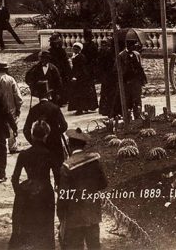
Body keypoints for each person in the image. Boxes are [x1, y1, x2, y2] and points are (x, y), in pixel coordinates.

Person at [57, 130, 108, 250]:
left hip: (74, 217)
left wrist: (60, 215)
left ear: (69, 145)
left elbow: (63, 196)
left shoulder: (67, 166)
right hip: (92, 213)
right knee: (94, 246)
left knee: (74, 246)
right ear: (84, 145)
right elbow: (103, 184)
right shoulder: (94, 161)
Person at [9, 120, 56, 250]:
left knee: (25, 227)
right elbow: (58, 177)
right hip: (45, 192)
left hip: (26, 192)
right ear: (46, 135)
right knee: (45, 228)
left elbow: (14, 178)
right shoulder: (49, 154)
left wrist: (20, 193)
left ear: (32, 135)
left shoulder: (24, 154)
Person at [23, 80, 67, 185]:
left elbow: (25, 130)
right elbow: (64, 126)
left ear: (37, 95)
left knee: (43, 178)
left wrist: (34, 141)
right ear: (48, 94)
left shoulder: (33, 110)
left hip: (40, 148)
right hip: (56, 147)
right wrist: (55, 134)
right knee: (58, 175)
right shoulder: (55, 108)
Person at [0, 62, 22, 153]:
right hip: (11, 107)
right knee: (12, 126)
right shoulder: (11, 79)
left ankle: (0, 146)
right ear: (6, 69)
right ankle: (12, 146)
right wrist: (18, 107)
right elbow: (18, 96)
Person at [118, 38, 147, 119]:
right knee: (128, 100)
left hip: (136, 80)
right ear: (129, 45)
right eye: (135, 45)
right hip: (127, 81)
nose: (136, 46)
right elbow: (118, 69)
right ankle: (128, 117)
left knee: (137, 99)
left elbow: (140, 67)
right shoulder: (121, 55)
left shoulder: (137, 54)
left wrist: (142, 80)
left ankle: (138, 116)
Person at [67, 43, 97, 115]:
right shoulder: (75, 56)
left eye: (76, 49)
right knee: (79, 94)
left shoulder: (81, 57)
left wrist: (76, 76)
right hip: (77, 77)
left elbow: (81, 68)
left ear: (79, 50)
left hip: (81, 78)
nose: (74, 50)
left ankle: (80, 109)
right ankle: (81, 108)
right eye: (74, 48)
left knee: (80, 94)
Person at [96, 38, 120, 118]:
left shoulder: (108, 53)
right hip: (109, 77)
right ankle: (110, 111)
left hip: (108, 77)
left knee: (109, 94)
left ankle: (109, 111)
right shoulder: (109, 53)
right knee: (110, 94)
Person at [48, 33, 72, 102]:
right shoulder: (50, 51)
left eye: (57, 43)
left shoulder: (61, 50)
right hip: (54, 69)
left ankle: (63, 99)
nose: (56, 44)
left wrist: (68, 70)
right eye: (55, 43)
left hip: (62, 69)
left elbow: (65, 61)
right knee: (54, 84)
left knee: (63, 83)